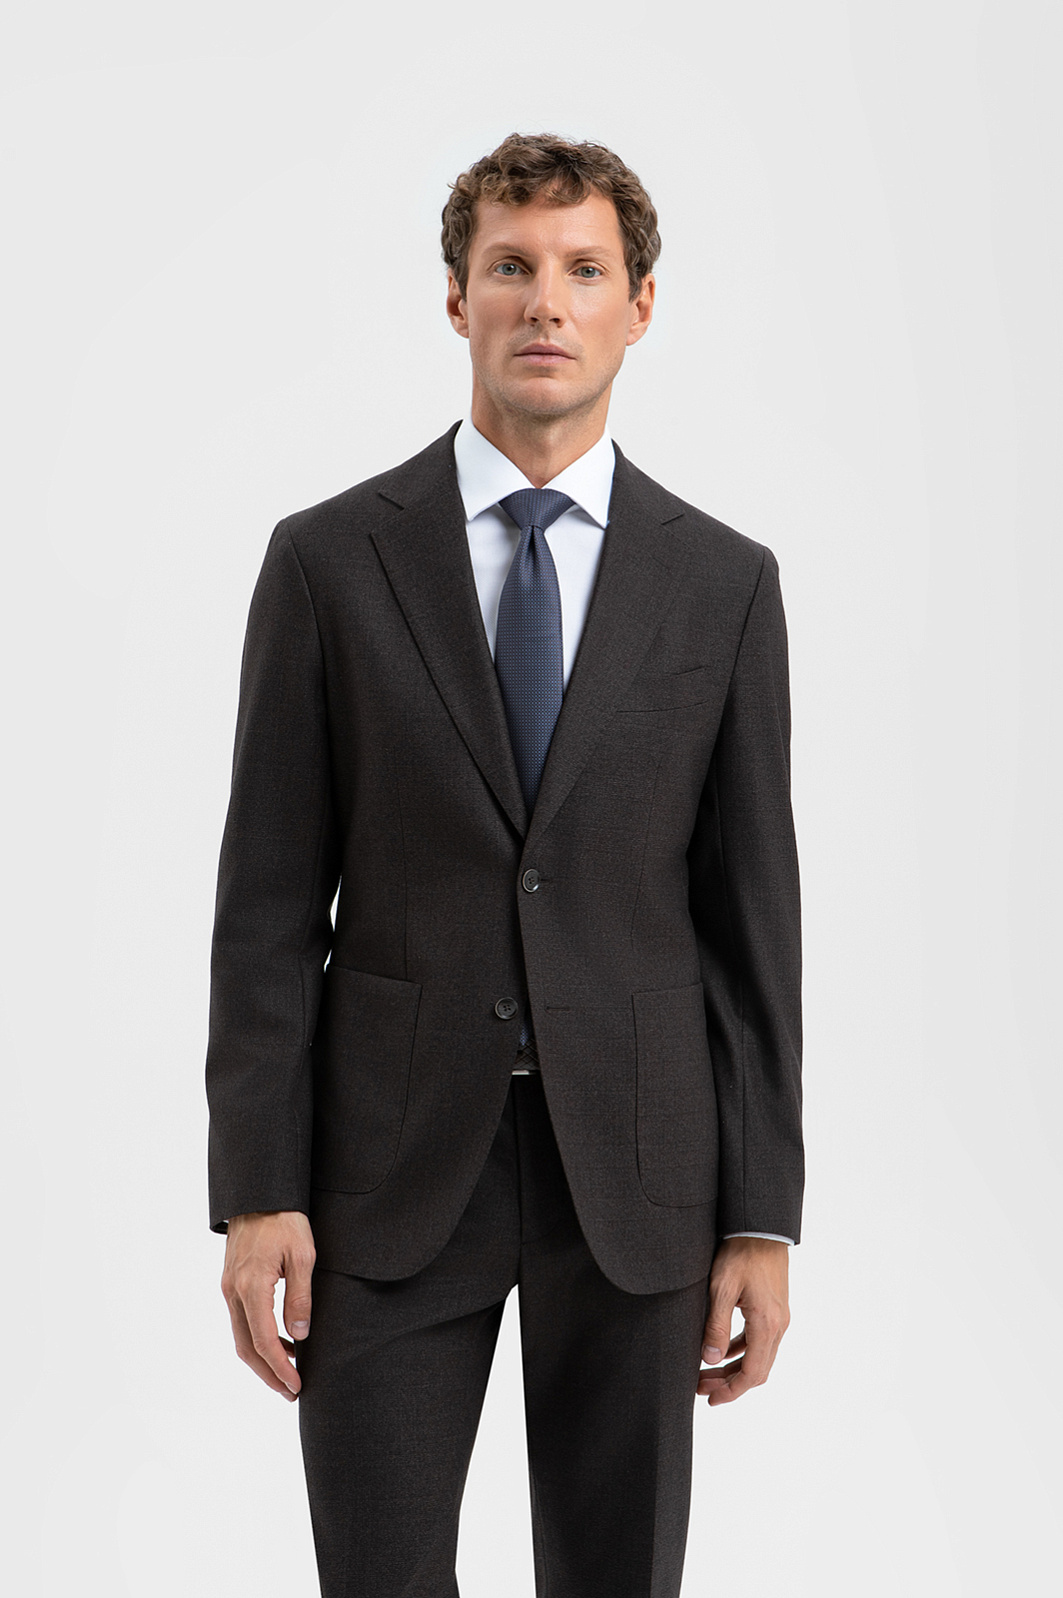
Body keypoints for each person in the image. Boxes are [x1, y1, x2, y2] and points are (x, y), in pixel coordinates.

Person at [205, 131, 803, 1598]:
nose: (546, 300)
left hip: (640, 1171)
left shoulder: (723, 585)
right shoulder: (328, 563)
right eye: (511, 267)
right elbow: (267, 906)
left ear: (638, 307)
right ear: (456, 299)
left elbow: (752, 924)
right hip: (386, 1169)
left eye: (584, 270)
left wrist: (762, 1211)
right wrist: (258, 1185)